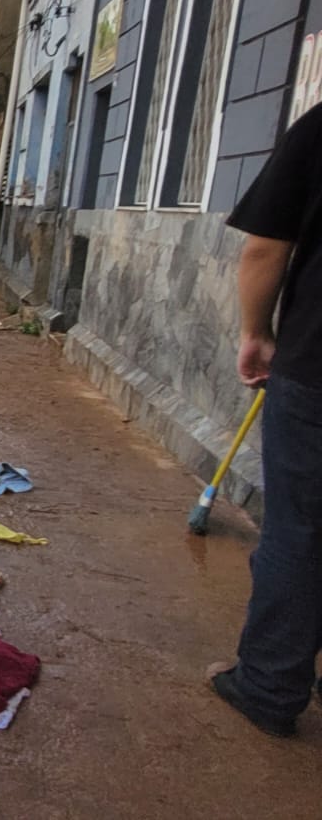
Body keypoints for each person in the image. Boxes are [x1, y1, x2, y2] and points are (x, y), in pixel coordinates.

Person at [209, 101, 322, 738]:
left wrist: (255, 331)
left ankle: (270, 685)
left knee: (299, 532)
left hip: (316, 370)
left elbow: (264, 250)